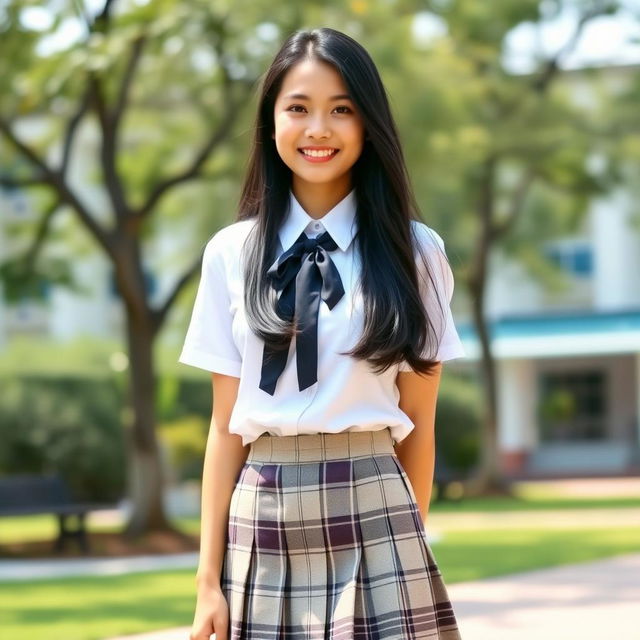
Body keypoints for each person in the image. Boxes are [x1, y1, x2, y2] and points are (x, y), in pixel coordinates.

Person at [179, 26, 466, 640]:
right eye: (298, 109)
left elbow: (420, 422)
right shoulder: (231, 253)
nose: (319, 130)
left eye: (342, 109)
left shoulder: (416, 252)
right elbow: (224, 426)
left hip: (377, 507)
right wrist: (207, 580)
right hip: (263, 510)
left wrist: (407, 543)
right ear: (270, 122)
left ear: (370, 125)